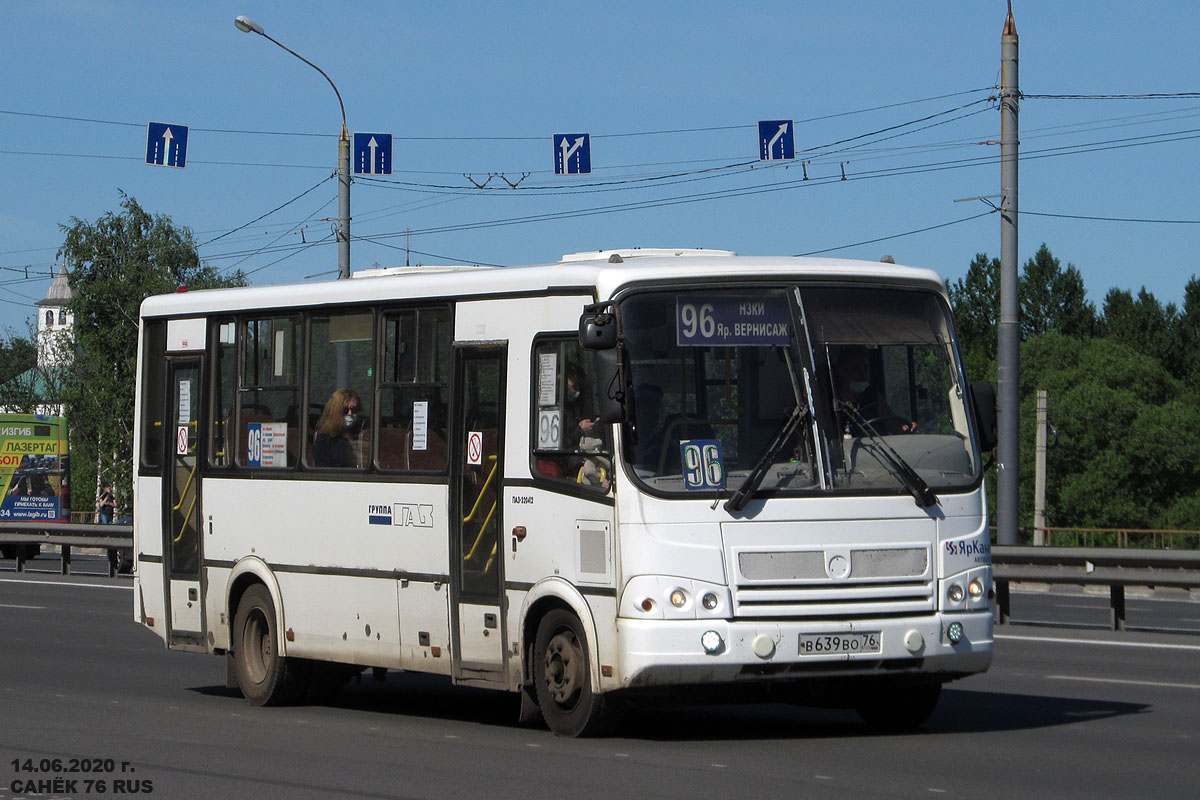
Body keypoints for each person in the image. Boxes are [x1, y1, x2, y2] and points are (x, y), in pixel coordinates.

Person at [313, 388, 365, 468]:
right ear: (335, 412)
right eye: (345, 410)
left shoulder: (363, 434)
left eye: (354, 409)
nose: (350, 413)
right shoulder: (324, 438)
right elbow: (322, 470)